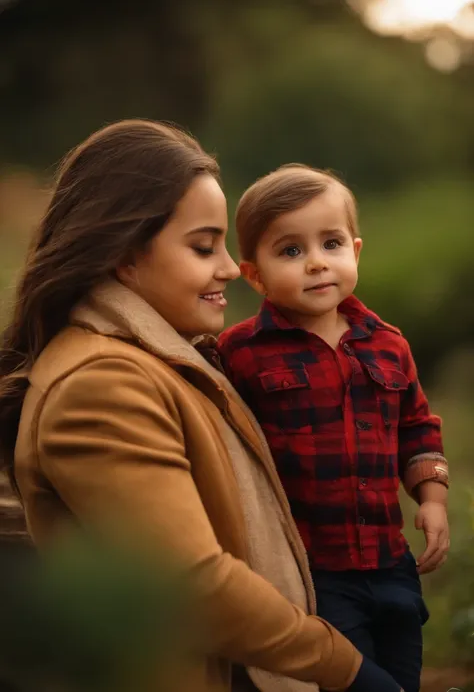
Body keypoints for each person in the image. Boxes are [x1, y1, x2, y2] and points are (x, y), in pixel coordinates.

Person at [0, 122, 402, 692]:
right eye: (203, 245)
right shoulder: (102, 384)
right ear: (124, 257)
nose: (230, 267)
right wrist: (347, 667)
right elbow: (192, 583)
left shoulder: (167, 360)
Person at [218, 164, 450, 692]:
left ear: (356, 251)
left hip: (390, 561)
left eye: (331, 243)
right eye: (291, 251)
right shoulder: (240, 353)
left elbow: (417, 426)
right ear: (254, 275)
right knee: (353, 679)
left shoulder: (388, 344)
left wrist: (431, 498)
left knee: (402, 671)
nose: (318, 263)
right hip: (311, 568)